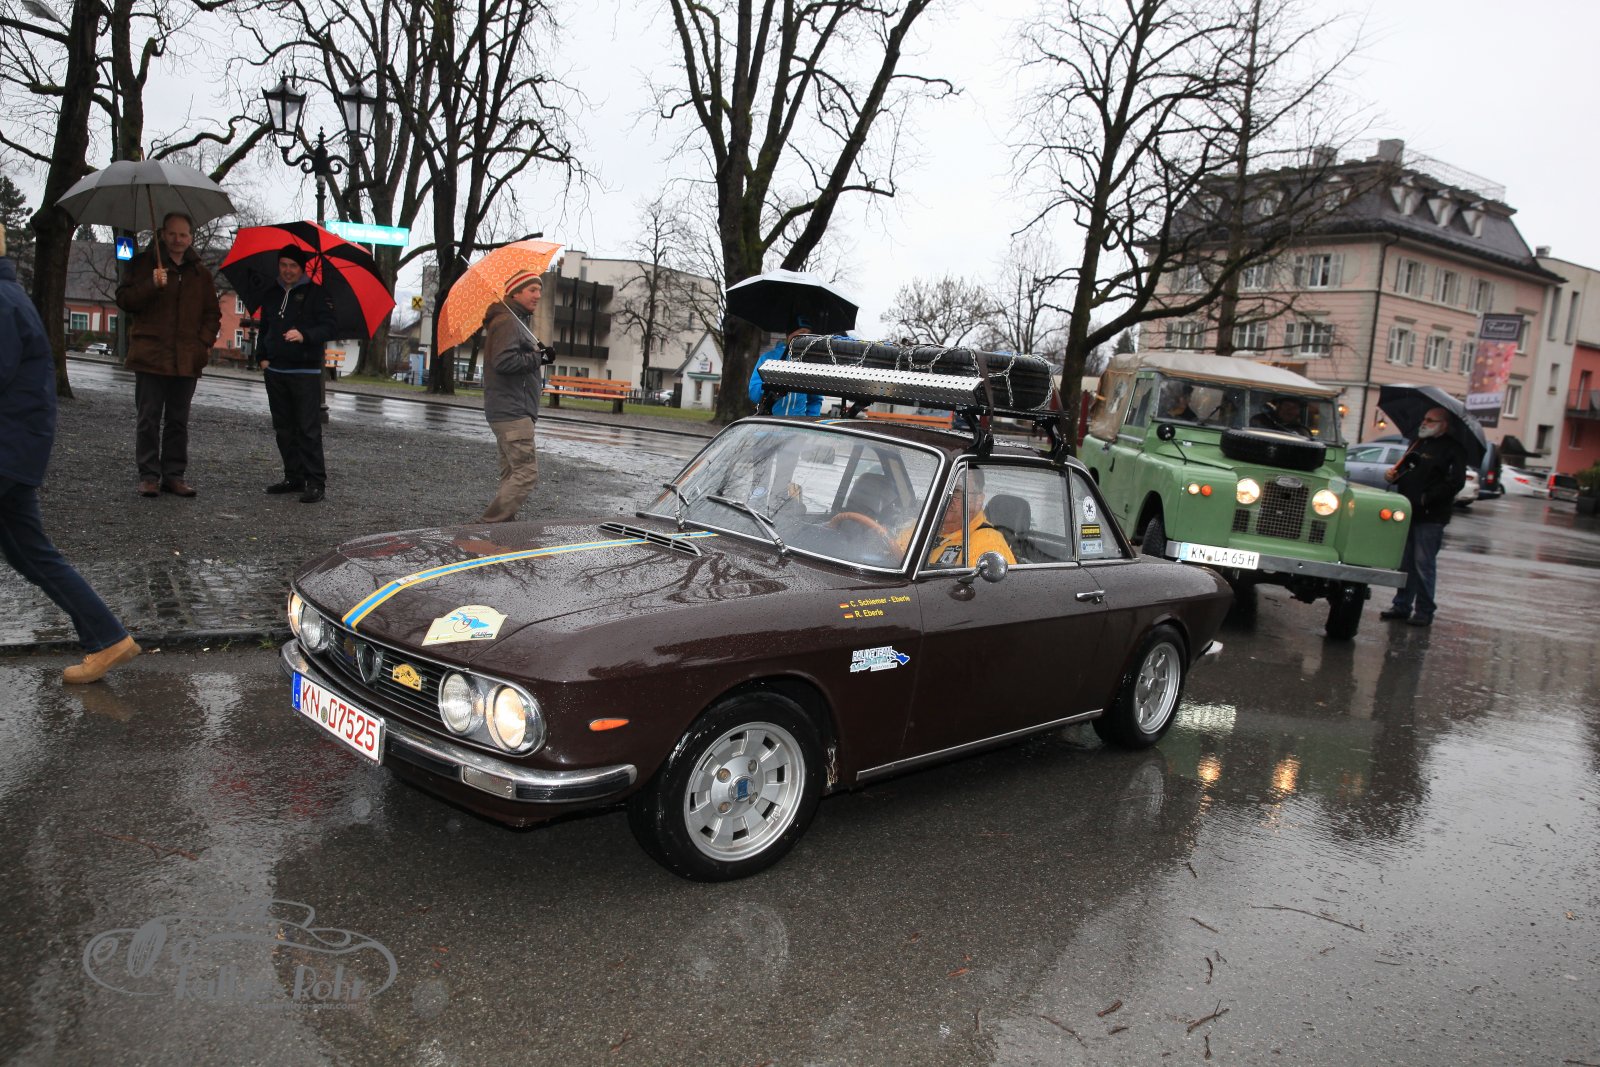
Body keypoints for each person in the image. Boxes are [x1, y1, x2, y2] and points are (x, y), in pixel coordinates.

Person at [1, 224, 141, 683]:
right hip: (16, 449)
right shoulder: (10, 298)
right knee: (31, 554)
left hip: (7, 448)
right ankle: (109, 638)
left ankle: (108, 637)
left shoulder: (2, 302)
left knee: (34, 554)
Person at [113, 212, 220, 498]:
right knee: (148, 418)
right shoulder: (143, 264)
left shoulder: (200, 274)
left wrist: (203, 343)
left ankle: (174, 475)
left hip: (186, 358)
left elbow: (212, 313)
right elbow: (125, 300)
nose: (177, 240)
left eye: (183, 234)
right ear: (162, 234)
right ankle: (149, 475)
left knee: (178, 421)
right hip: (151, 355)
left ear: (191, 237)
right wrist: (151, 284)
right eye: (172, 234)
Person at [257, 246, 337, 503]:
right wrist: (262, 357)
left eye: (293, 265)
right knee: (283, 428)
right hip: (275, 370)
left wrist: (305, 335)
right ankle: (293, 476)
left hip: (304, 370)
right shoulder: (271, 293)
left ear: (302, 268)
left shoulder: (316, 294)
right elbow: (265, 327)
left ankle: (315, 482)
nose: (288, 270)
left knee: (307, 429)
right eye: (283, 265)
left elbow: (329, 327)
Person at [1379, 407, 1467, 627]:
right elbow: (1407, 471)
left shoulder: (1452, 449)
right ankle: (1401, 605)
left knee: (1423, 564)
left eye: (1430, 420)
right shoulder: (1417, 443)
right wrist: (1393, 475)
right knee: (1405, 563)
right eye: (1424, 418)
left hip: (1431, 516)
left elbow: (1456, 482)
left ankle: (1425, 611)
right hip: (1408, 511)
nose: (1424, 422)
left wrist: (1427, 498)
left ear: (1443, 425)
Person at [479, 270, 552, 523]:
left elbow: (512, 357)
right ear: (516, 292)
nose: (538, 295)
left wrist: (538, 355)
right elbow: (504, 362)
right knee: (525, 473)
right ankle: (489, 524)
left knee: (512, 473)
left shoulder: (512, 320)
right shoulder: (508, 322)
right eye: (532, 290)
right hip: (513, 410)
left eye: (539, 290)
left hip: (506, 408)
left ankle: (501, 529)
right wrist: (539, 358)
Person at [900, 469, 1016, 568]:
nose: (947, 499)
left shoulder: (988, 544)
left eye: (958, 492)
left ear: (978, 500)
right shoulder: (923, 526)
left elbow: (982, 587)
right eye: (942, 491)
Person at [747, 324, 824, 416]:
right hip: (769, 421)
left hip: (796, 424)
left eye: (809, 334)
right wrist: (773, 384)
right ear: (789, 334)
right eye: (802, 333)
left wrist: (809, 421)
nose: (806, 338)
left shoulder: (810, 363)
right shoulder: (768, 358)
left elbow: (815, 400)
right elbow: (754, 394)